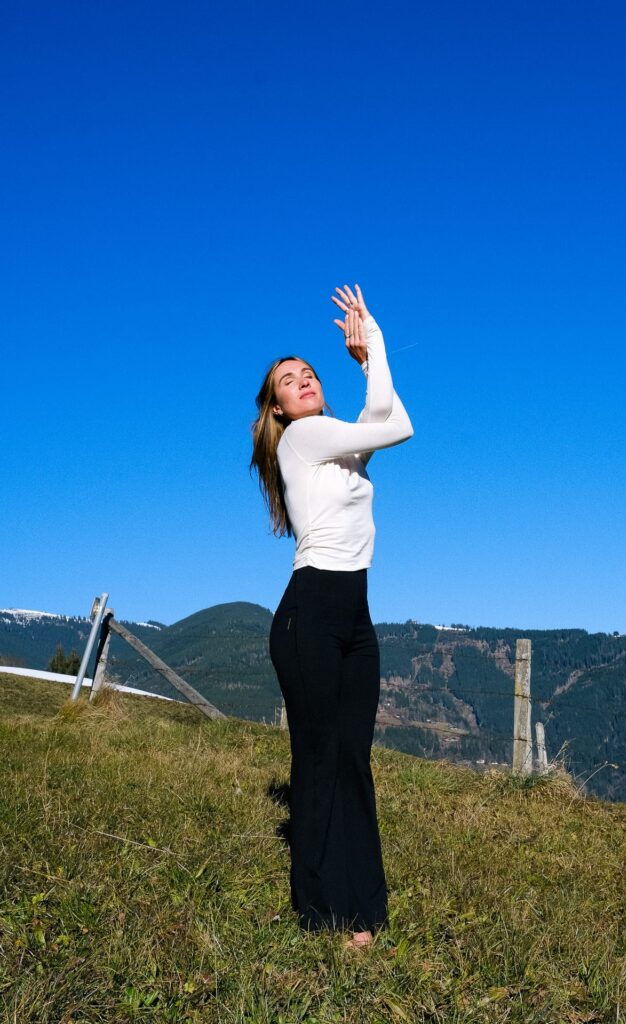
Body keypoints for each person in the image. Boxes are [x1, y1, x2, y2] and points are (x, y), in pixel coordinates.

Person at [250, 283, 413, 949]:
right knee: (318, 760)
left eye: (309, 372)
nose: (305, 381)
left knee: (353, 760)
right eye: (289, 382)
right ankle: (321, 912)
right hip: (310, 614)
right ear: (279, 409)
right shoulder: (304, 438)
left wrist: (368, 353)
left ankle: (364, 912)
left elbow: (385, 412)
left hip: (354, 616)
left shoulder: (337, 449)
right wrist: (376, 344)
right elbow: (399, 428)